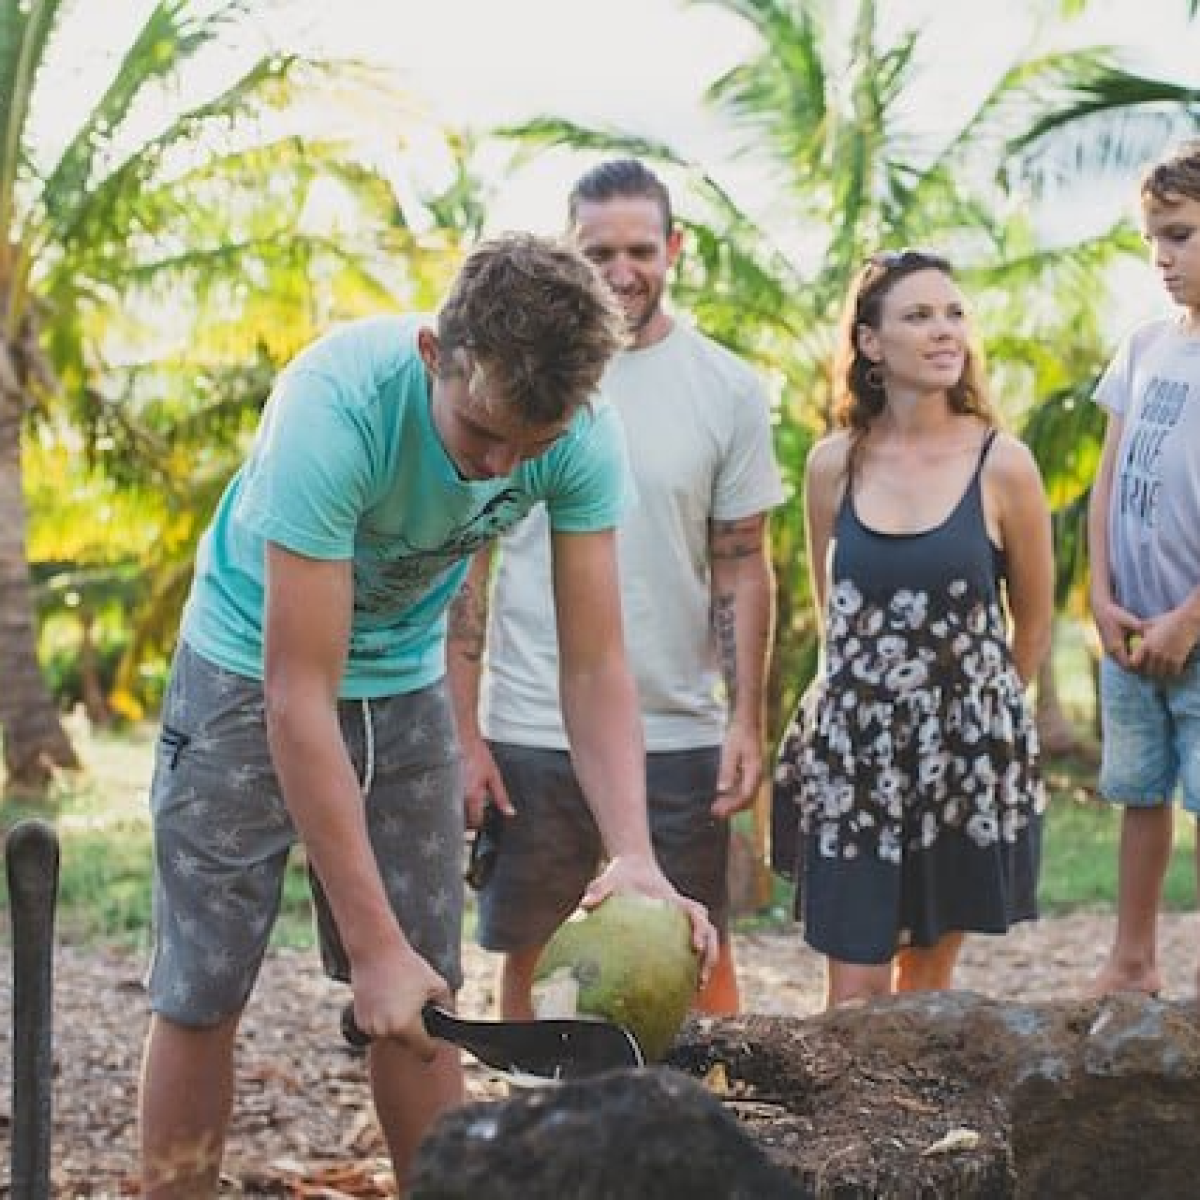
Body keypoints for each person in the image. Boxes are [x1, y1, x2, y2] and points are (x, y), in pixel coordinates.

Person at [136, 231, 717, 1198]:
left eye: (527, 448)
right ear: (431, 355)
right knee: (201, 989)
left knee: (421, 993)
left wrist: (635, 855)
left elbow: (597, 662)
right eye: (482, 434)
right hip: (246, 671)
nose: (498, 469)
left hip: (404, 680)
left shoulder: (576, 434)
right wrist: (369, 946)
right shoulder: (335, 409)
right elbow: (298, 695)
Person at [448, 159, 783, 1019]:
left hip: (677, 724)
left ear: (674, 247)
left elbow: (743, 560)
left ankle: (696, 1139)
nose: (624, 270)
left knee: (692, 948)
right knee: (530, 953)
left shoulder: (729, 389)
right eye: (600, 252)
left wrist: (745, 721)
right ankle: (535, 1133)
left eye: (642, 248)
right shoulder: (519, 377)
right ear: (570, 250)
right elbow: (467, 559)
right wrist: (463, 730)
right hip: (528, 720)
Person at [772, 248, 1053, 1008]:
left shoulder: (1006, 465)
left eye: (954, 313)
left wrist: (978, 720)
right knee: (853, 994)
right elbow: (837, 617)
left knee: (924, 992)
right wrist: (856, 714)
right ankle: (841, 1131)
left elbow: (1032, 624)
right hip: (853, 755)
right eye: (918, 316)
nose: (944, 331)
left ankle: (910, 1132)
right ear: (870, 343)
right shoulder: (834, 464)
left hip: (958, 755)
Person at [1088, 140, 1200, 999]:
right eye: (1155, 239)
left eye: (1183, 235)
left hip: (1192, 631)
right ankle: (1132, 960)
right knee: (1138, 793)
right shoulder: (1145, 347)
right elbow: (1108, 477)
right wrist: (1099, 592)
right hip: (1131, 629)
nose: (1163, 258)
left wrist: (1189, 617)